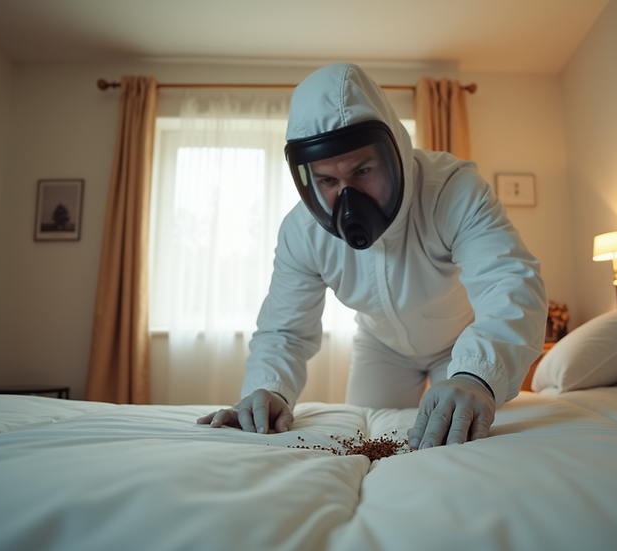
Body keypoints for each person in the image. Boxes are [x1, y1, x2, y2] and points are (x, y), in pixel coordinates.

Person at [198, 62, 546, 449]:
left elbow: (509, 281)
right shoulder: (302, 232)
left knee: (462, 438)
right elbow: (285, 330)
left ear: (393, 152)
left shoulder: (453, 190)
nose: (347, 197)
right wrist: (269, 389)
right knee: (369, 443)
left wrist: (477, 376)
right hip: (382, 348)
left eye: (362, 170)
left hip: (461, 344)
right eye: (327, 180)